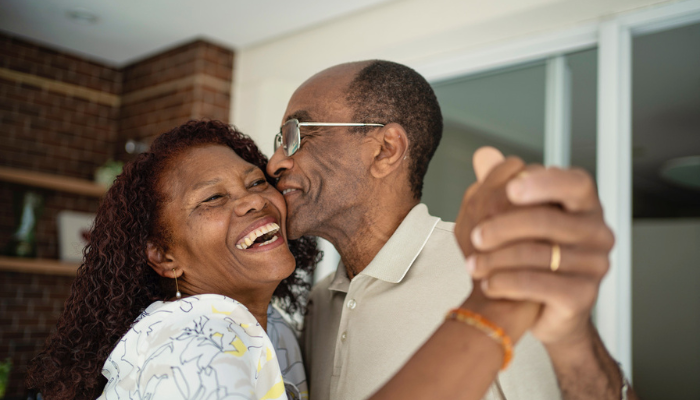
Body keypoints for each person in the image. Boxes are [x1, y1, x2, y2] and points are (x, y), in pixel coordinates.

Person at [26, 120, 568, 400]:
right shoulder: (193, 333)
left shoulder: (281, 327)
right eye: (211, 200)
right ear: (163, 257)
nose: (255, 199)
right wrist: (491, 311)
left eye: (257, 181)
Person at [266, 60, 638, 400]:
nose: (275, 162)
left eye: (296, 134)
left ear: (385, 150)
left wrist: (574, 339)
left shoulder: (487, 273)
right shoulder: (319, 302)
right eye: (279, 142)